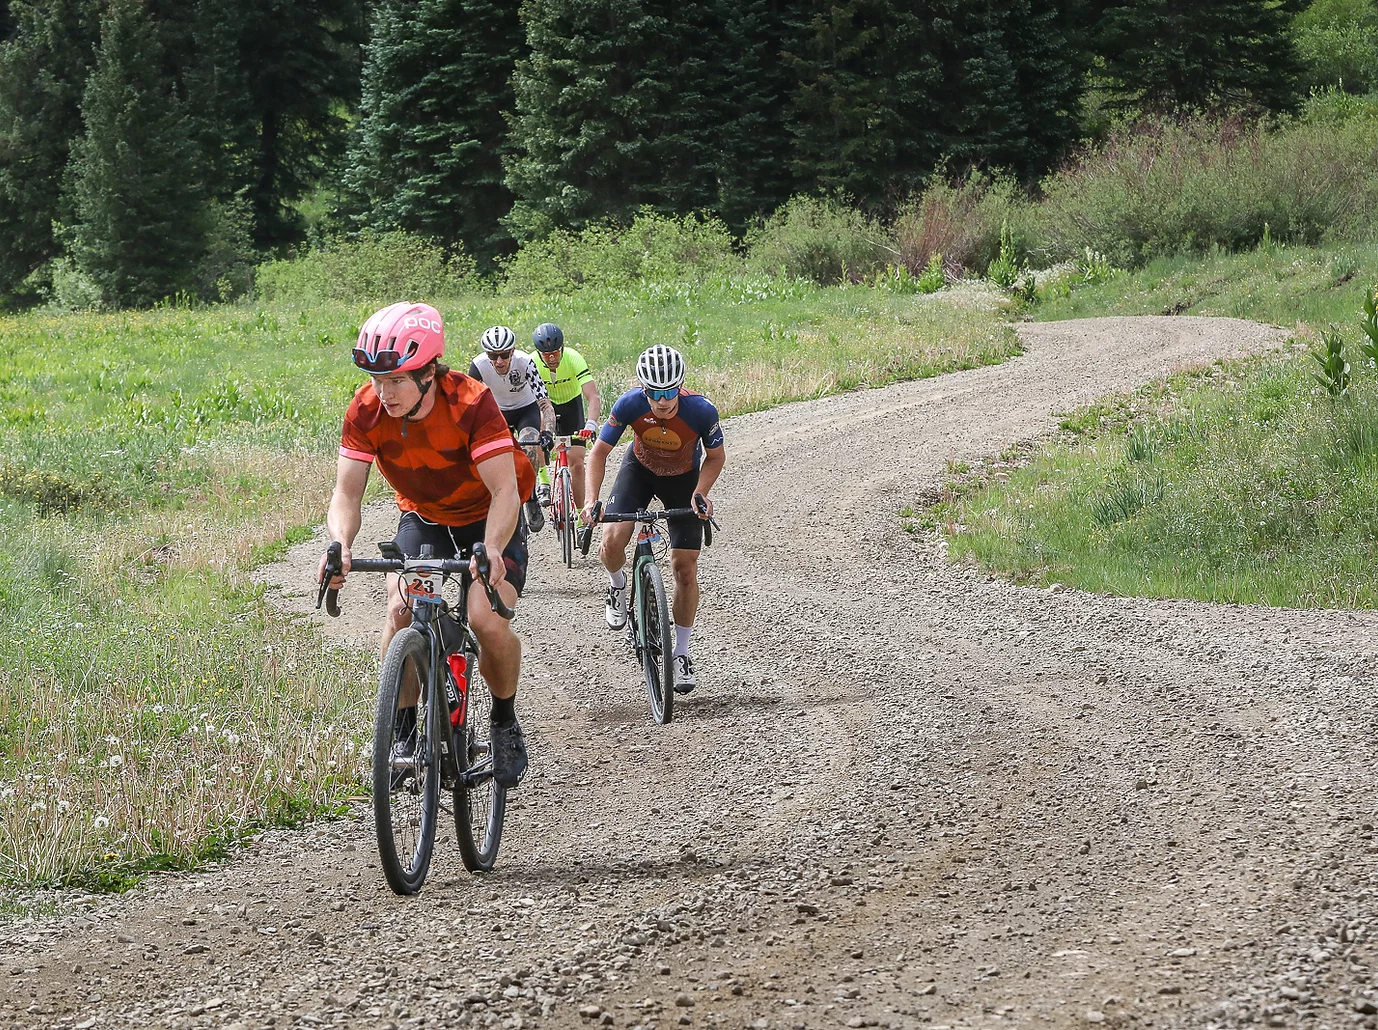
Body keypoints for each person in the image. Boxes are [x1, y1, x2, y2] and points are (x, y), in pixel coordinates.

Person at [319, 302, 533, 788]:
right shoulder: (366, 409)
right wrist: (340, 545)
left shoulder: (471, 404)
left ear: (429, 372)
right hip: (425, 517)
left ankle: (503, 721)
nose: (383, 391)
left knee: (485, 618)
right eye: (376, 378)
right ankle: (403, 731)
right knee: (400, 611)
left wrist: (495, 549)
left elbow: (504, 492)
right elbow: (346, 493)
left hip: (488, 520)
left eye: (396, 380)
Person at [582, 344, 725, 693]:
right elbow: (598, 453)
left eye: (670, 391)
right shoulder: (629, 405)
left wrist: (701, 493)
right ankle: (617, 585)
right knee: (612, 540)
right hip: (640, 471)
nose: (662, 400)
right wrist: (590, 501)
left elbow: (716, 457)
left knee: (685, 570)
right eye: (654, 393)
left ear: (681, 385)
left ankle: (681, 652)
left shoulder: (701, 411)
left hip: (683, 480)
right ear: (643, 389)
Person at [469, 326, 556, 533]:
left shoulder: (525, 362)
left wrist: (548, 432)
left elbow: (545, 404)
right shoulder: (479, 366)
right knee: (497, 456)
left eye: (504, 355)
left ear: (513, 351)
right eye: (493, 355)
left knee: (529, 444)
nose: (499, 361)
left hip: (526, 409)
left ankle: (531, 495)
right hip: (497, 412)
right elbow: (469, 405)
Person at [530, 322, 601, 511]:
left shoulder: (574, 358)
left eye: (555, 352)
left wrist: (591, 424)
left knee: (576, 464)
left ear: (562, 347)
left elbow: (592, 396)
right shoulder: (531, 363)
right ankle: (544, 480)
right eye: (546, 354)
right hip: (545, 406)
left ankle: (580, 516)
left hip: (571, 407)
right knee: (535, 430)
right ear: (538, 353)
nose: (552, 358)